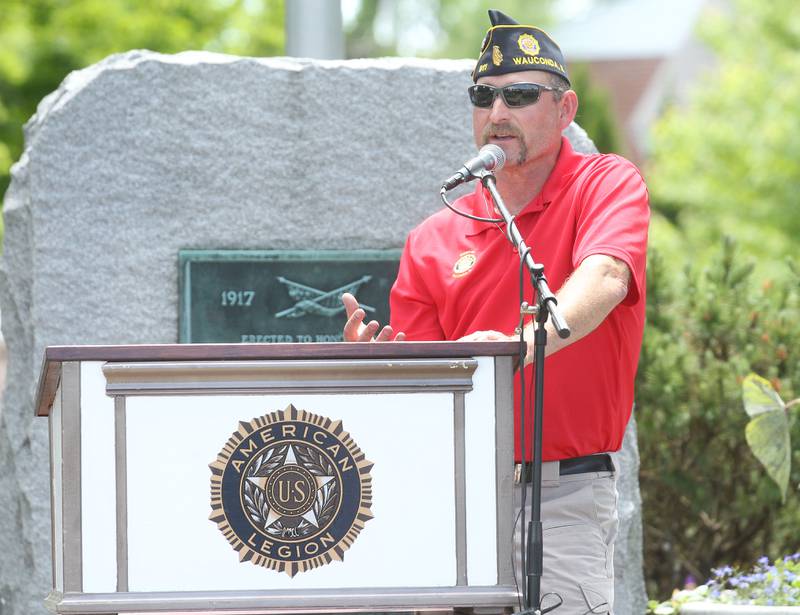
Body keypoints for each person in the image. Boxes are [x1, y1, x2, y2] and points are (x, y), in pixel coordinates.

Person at [342, 9, 649, 615]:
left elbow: (608, 276)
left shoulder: (605, 183)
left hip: (565, 494)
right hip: (455, 494)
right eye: (483, 96)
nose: (497, 112)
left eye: (520, 95)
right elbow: (428, 386)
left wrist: (519, 343)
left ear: (565, 110)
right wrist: (378, 365)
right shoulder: (432, 237)